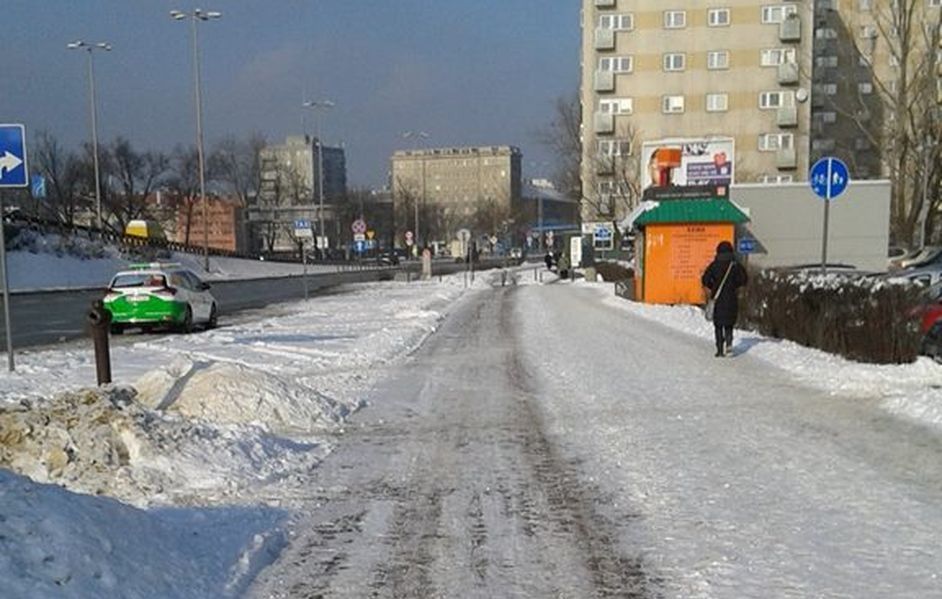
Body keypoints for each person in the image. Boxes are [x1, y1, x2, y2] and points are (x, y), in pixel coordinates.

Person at [701, 241, 748, 357]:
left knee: (718, 325)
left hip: (717, 299)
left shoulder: (714, 265)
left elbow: (705, 279)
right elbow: (744, 279)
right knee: (728, 324)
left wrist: (713, 287)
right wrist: (734, 285)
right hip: (731, 299)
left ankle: (719, 350)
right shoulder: (735, 265)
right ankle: (729, 345)